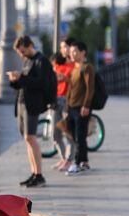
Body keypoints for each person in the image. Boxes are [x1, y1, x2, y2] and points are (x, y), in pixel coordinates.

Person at [7, 35, 53, 187]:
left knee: (30, 137)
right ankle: (34, 173)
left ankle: (39, 175)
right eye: (19, 52)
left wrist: (22, 77)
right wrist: (15, 80)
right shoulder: (27, 61)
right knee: (27, 139)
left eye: (23, 51)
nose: (21, 55)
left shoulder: (41, 61)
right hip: (22, 102)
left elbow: (42, 83)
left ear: (30, 46)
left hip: (32, 104)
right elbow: (24, 83)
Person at [65, 41, 95, 175]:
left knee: (80, 136)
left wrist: (86, 105)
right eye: (71, 51)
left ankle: (76, 163)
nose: (72, 54)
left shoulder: (86, 67)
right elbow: (71, 89)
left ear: (83, 52)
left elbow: (90, 88)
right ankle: (84, 161)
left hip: (81, 108)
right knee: (76, 136)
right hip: (72, 107)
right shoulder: (75, 68)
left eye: (75, 51)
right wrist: (67, 106)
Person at [53, 37, 77, 171]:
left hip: (68, 100)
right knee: (55, 134)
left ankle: (69, 159)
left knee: (68, 133)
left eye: (64, 47)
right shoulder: (58, 63)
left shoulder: (75, 64)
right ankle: (63, 158)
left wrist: (65, 79)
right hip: (56, 99)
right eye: (61, 47)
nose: (62, 49)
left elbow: (77, 83)